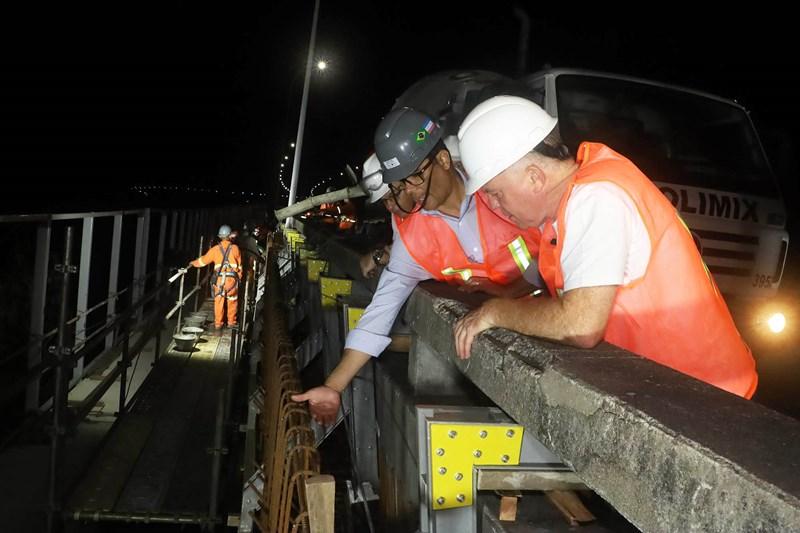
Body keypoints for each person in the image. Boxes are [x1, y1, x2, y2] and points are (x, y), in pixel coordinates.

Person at [453, 95, 757, 398]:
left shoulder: (596, 197)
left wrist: (497, 312)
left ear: (534, 178)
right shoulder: (581, 193)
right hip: (681, 390)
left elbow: (580, 325)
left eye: (495, 193)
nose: (493, 205)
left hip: (709, 399)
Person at [291, 108, 544, 424]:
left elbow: (556, 249)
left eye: (413, 178)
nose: (409, 194)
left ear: (443, 160)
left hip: (563, 324)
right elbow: (382, 309)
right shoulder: (413, 235)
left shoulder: (499, 186)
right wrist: (334, 385)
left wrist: (513, 291)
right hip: (511, 348)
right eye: (398, 186)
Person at [188, 224, 242, 329]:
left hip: (220, 280)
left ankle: (218, 324)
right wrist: (238, 280)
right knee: (232, 300)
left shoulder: (215, 249)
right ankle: (231, 322)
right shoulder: (236, 249)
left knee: (219, 301)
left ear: (220, 236)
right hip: (232, 280)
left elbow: (203, 261)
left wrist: (192, 263)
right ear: (230, 236)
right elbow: (240, 267)